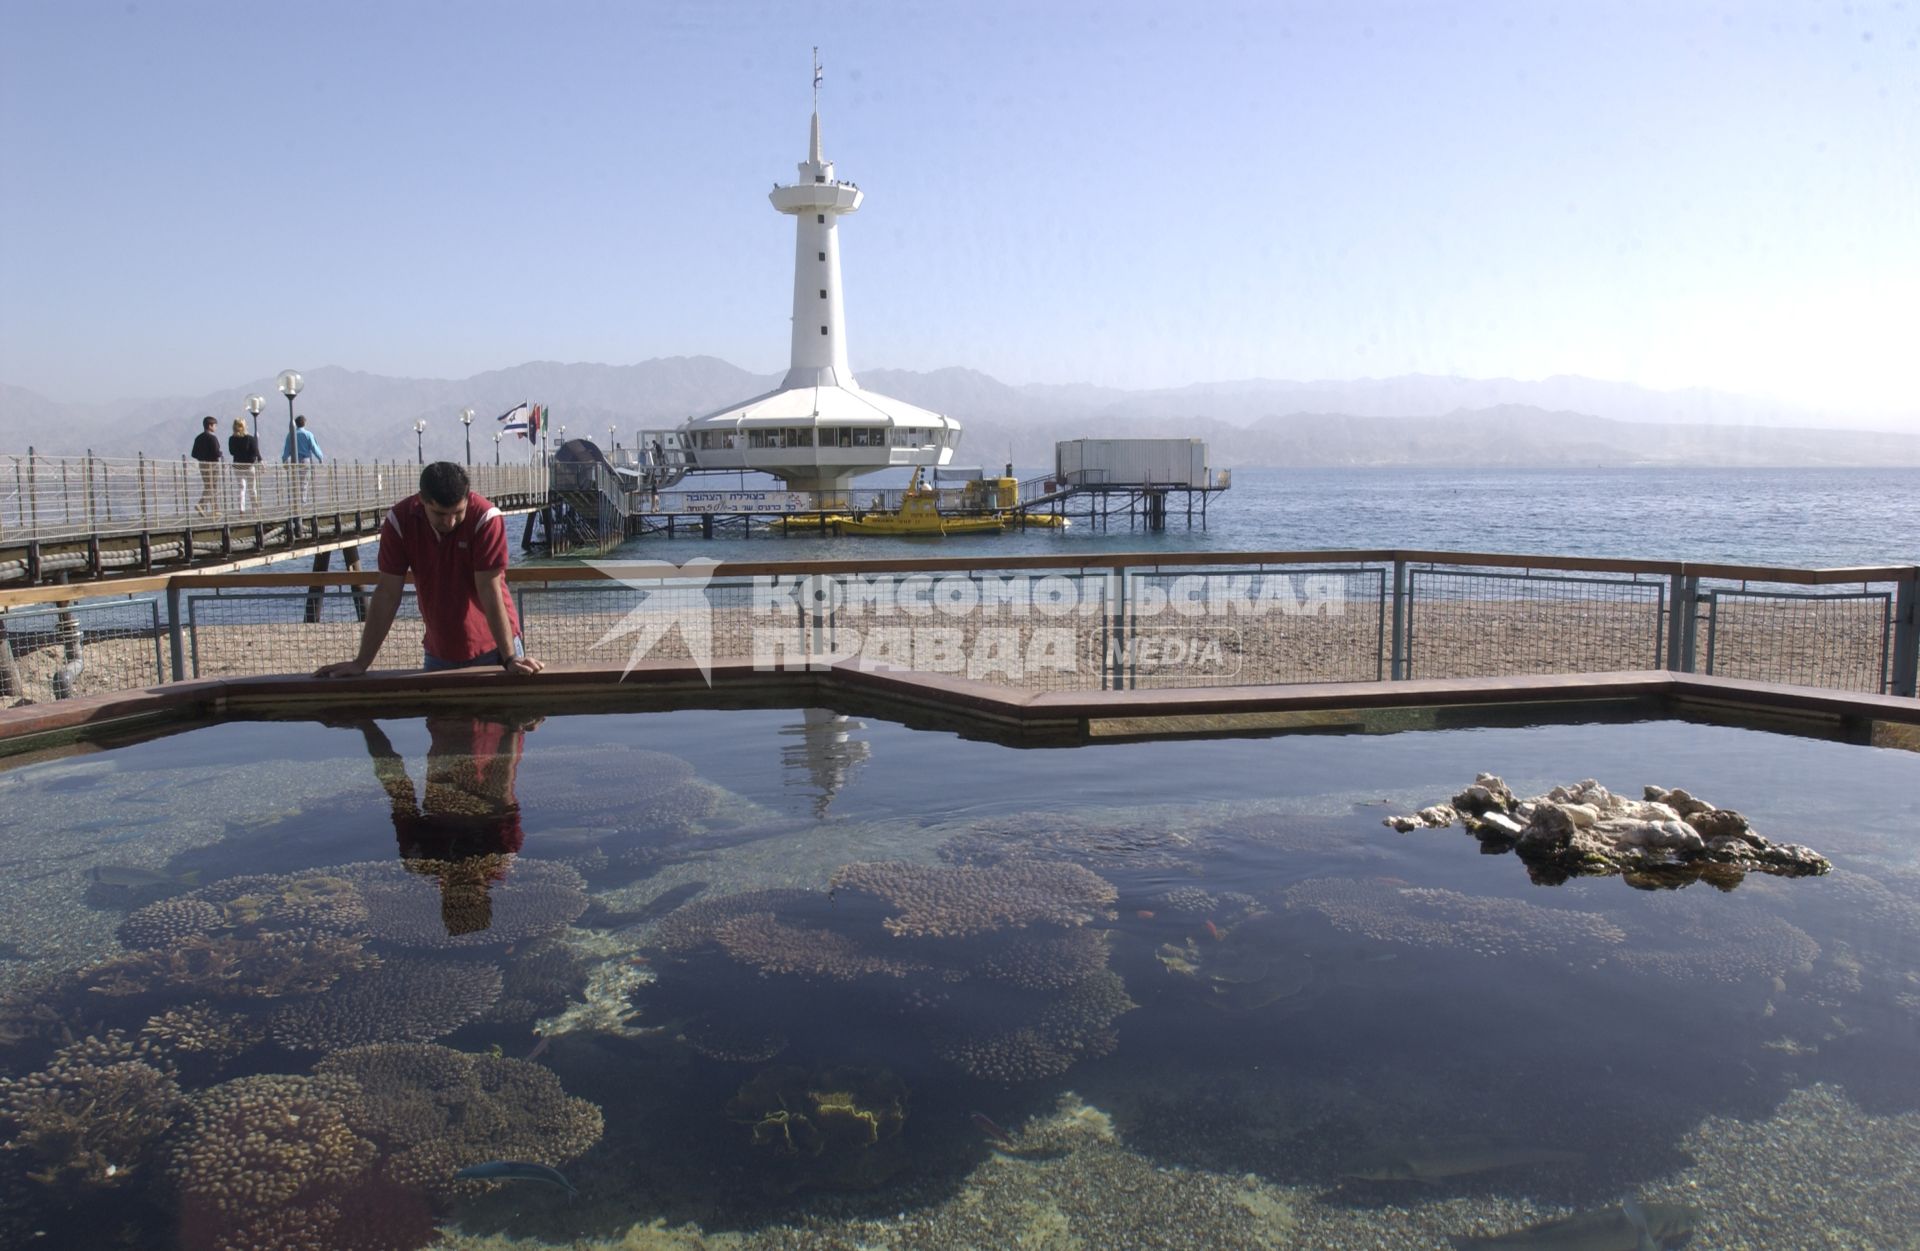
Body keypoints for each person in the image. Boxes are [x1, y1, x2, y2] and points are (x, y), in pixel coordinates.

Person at [315, 461, 544, 677]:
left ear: (468, 499)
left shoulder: (486, 517)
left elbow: (489, 588)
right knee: (440, 719)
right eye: (440, 514)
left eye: (458, 513)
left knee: (505, 718)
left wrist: (510, 657)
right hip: (439, 651)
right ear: (422, 500)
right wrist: (360, 663)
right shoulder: (399, 521)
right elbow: (387, 593)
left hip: (496, 648)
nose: (450, 522)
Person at [344, 714, 538, 937]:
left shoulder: (420, 856)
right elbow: (502, 786)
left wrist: (368, 727)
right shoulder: (501, 852)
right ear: (485, 891)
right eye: (470, 884)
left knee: (452, 725)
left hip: (453, 742)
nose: (462, 875)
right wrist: (514, 726)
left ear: (444, 893)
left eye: (457, 888)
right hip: (493, 743)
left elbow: (398, 787)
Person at [282, 414, 323, 523]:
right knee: (304, 484)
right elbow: (314, 447)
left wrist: (284, 460)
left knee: (295, 483)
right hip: (305, 461)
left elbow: (286, 449)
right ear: (304, 423)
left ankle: (295, 505)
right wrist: (320, 457)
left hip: (294, 462)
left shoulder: (290, 435)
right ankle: (302, 505)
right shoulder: (308, 434)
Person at [228, 416, 262, 511]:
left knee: (241, 488)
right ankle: (255, 509)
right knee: (252, 489)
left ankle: (241, 509)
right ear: (244, 426)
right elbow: (255, 451)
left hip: (237, 465)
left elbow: (231, 452)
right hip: (249, 466)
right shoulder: (250, 438)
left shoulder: (231, 439)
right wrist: (260, 461)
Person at [190, 416, 222, 515]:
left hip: (202, 464)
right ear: (210, 426)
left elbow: (193, 454)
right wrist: (220, 454)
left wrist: (202, 457)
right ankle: (202, 505)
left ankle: (214, 509)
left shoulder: (198, 438)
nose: (216, 427)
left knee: (208, 485)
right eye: (215, 425)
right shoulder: (212, 438)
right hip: (213, 464)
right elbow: (217, 452)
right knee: (212, 486)